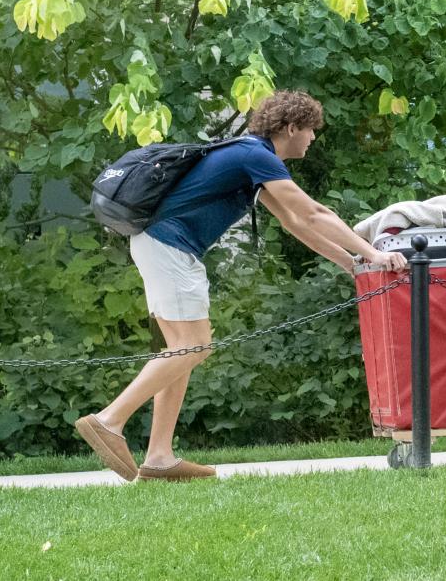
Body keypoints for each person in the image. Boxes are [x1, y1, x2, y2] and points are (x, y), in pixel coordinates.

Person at [75, 90, 408, 483]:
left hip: (159, 246)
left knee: (181, 350)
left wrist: (352, 265)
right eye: (311, 130)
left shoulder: (250, 159)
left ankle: (160, 457)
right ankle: (109, 420)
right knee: (193, 346)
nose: (313, 138)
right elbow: (314, 211)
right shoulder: (256, 156)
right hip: (171, 248)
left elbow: (294, 223)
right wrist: (376, 254)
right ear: (290, 128)